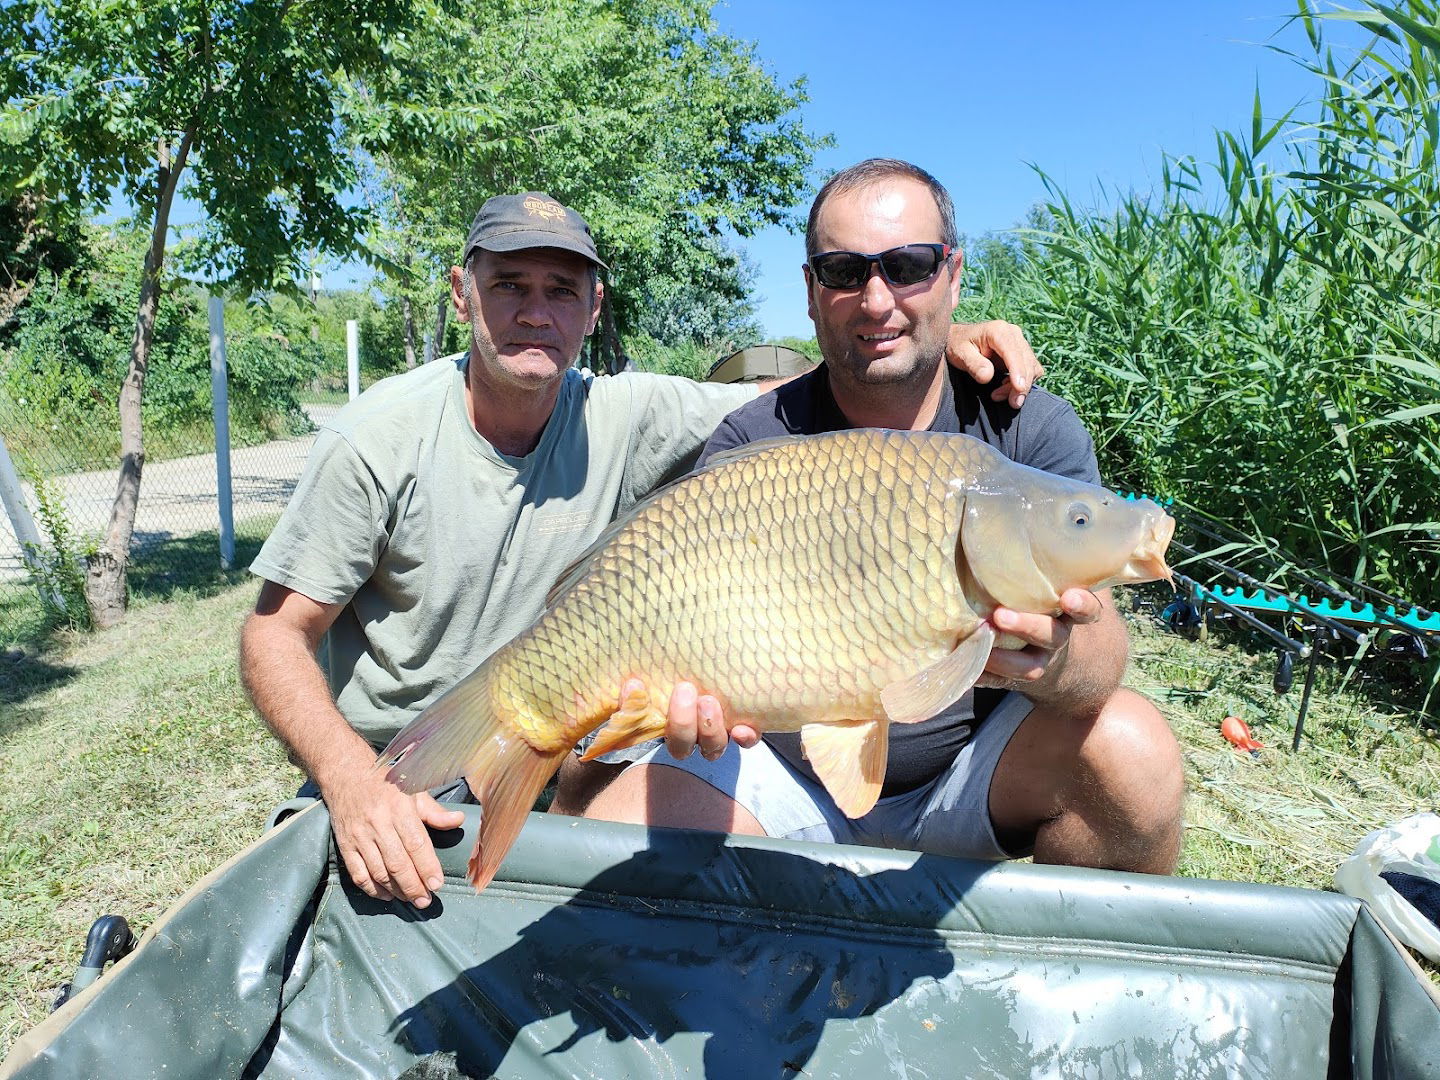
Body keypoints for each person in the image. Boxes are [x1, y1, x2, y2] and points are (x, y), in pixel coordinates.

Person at [240, 189, 1045, 909]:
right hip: (395, 758)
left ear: (593, 309)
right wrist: (352, 785)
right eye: (508, 286)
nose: (535, 312)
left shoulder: (624, 412)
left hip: (559, 742)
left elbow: (787, 391)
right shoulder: (377, 440)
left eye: (561, 291)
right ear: (462, 293)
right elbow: (272, 635)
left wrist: (924, 325)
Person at [575, 160, 1186, 874]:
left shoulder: (1026, 432)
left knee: (1134, 752)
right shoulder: (753, 441)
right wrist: (681, 702)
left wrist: (1054, 660)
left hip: (975, 778)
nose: (876, 298)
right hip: (783, 779)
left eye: (909, 265)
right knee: (615, 822)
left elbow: (1101, 660)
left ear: (953, 276)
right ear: (809, 291)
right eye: (843, 270)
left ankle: (1078, 982)